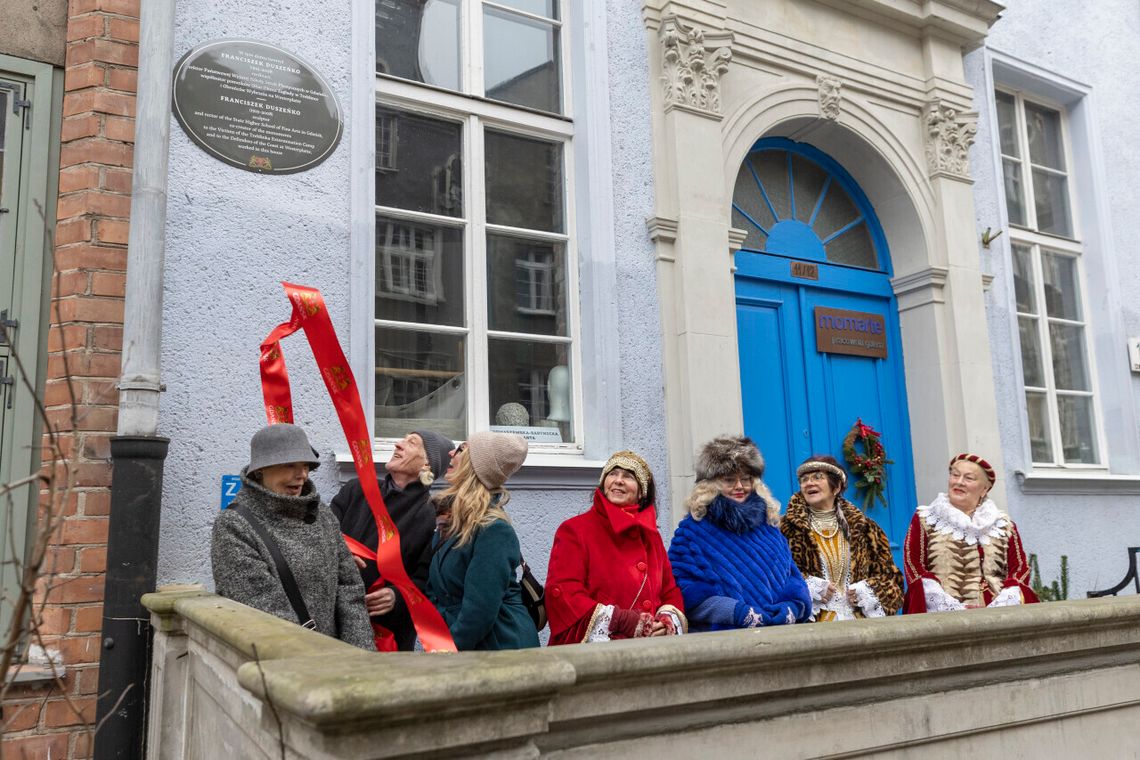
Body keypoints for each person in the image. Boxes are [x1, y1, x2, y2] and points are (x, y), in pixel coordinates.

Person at [211, 423, 373, 649]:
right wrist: (308, 658)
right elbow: (262, 607)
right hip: (279, 661)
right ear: (260, 470)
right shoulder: (234, 525)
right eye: (289, 465)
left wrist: (360, 655)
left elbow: (350, 590)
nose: (302, 475)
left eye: (305, 465)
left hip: (336, 660)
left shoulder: (322, 515)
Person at [668, 436, 812, 630]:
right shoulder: (691, 532)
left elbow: (793, 579)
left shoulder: (769, 527)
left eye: (746, 479)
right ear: (711, 484)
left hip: (780, 635)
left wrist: (791, 608)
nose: (739, 486)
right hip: (724, 641)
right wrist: (738, 613)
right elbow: (684, 589)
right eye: (729, 480)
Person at [330, 430, 454, 651]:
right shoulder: (356, 489)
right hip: (333, 619)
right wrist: (338, 553)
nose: (398, 444)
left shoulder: (432, 516)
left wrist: (397, 597)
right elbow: (323, 534)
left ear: (427, 464)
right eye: (402, 439)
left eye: (411, 443)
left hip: (385, 633)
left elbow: (428, 580)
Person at [545, 451, 686, 644]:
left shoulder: (651, 536)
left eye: (628, 476)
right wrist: (623, 621)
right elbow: (565, 593)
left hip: (649, 650)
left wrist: (665, 621)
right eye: (612, 474)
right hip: (598, 653)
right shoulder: (574, 530)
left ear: (641, 492)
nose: (618, 480)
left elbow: (669, 591)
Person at [427, 432, 538, 651]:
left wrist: (446, 650)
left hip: (501, 648)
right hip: (462, 645)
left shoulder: (495, 530)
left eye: (461, 449)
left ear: (476, 465)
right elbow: (435, 590)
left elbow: (479, 611)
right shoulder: (451, 520)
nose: (451, 452)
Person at [902, 453, 1039, 613]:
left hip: (997, 615)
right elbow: (914, 566)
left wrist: (1004, 601)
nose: (959, 482)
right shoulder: (926, 519)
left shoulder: (1003, 525)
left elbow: (1020, 569)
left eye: (969, 478)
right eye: (955, 475)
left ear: (984, 489)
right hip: (943, 616)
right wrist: (945, 604)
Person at [780, 455, 903, 621]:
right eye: (804, 479)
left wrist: (866, 590)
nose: (809, 483)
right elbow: (775, 576)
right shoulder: (785, 529)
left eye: (817, 477)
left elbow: (891, 580)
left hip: (860, 624)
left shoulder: (865, 528)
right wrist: (808, 586)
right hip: (812, 626)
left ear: (836, 487)